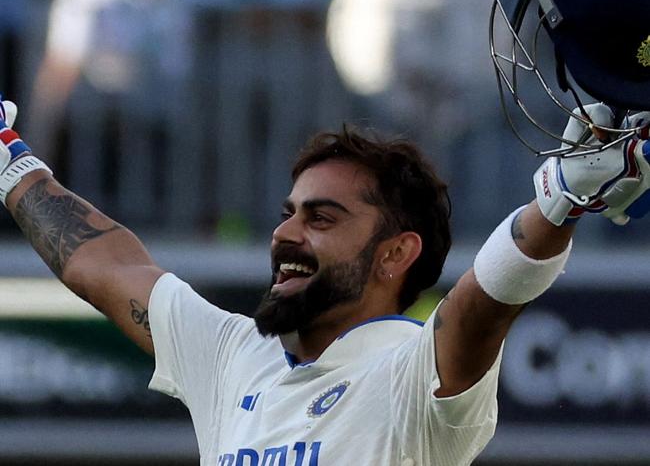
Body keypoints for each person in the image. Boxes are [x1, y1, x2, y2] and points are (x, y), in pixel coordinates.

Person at [0, 95, 648, 465]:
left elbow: (484, 301)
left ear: (396, 254)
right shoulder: (233, 355)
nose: (285, 234)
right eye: (287, 214)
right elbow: (104, 264)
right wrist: (8, 157)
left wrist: (559, 201)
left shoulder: (407, 373)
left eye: (321, 218)